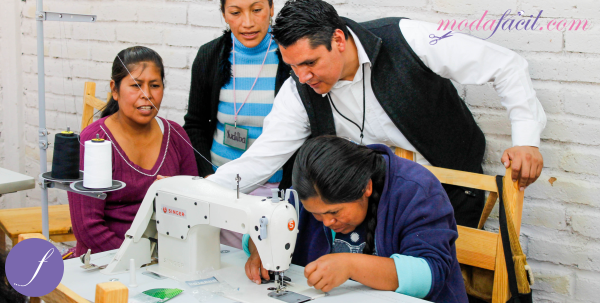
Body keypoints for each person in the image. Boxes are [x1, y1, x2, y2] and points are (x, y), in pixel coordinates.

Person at [208, 0, 547, 228]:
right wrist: (199, 190)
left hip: (453, 192)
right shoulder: (298, 91)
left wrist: (527, 141)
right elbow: (260, 160)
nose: (302, 76)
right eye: (292, 66)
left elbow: (506, 65)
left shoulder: (409, 38)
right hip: (374, 206)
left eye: (310, 63)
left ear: (338, 40)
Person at [244, 136, 468, 302]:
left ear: (366, 188)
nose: (326, 222)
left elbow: (430, 273)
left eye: (334, 212)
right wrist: (259, 249)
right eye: (316, 214)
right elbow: (265, 225)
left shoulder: (416, 190)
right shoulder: (311, 189)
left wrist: (350, 266)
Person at [67, 46, 198, 257]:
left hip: (167, 258)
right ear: (115, 89)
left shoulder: (176, 136)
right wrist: (139, 259)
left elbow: (195, 206)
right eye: (136, 85)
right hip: (105, 261)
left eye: (154, 85)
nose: (146, 95)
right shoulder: (94, 141)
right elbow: (87, 228)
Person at [184, 0, 292, 247]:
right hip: (221, 187)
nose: (248, 23)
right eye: (235, 12)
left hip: (273, 191)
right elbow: (195, 125)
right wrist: (210, 177)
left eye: (257, 10)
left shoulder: (290, 56)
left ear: (272, 8)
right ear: (224, 13)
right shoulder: (210, 56)